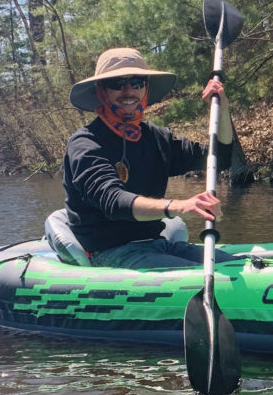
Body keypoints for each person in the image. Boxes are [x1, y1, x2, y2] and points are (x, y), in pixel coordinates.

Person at [61, 47, 239, 269]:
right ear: (101, 91)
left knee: (233, 267)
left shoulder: (157, 138)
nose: (128, 91)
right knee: (198, 275)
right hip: (109, 252)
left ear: (145, 89)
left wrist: (223, 109)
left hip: (158, 245)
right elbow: (114, 201)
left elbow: (219, 158)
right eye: (117, 84)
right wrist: (180, 206)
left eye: (137, 82)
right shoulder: (86, 143)